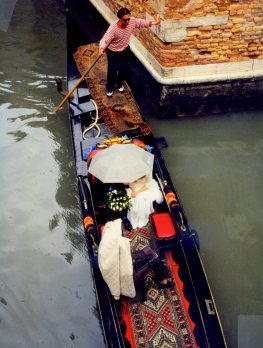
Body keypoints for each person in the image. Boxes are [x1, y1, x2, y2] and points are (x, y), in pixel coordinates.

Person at [99, 7, 160, 98]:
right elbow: (105, 39)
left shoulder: (131, 21)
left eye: (128, 19)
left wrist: (154, 23)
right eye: (125, 20)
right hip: (113, 51)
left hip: (125, 48)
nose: (127, 22)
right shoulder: (113, 28)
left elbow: (141, 22)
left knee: (124, 68)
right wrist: (101, 48)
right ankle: (110, 88)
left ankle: (119, 84)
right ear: (120, 19)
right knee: (112, 70)